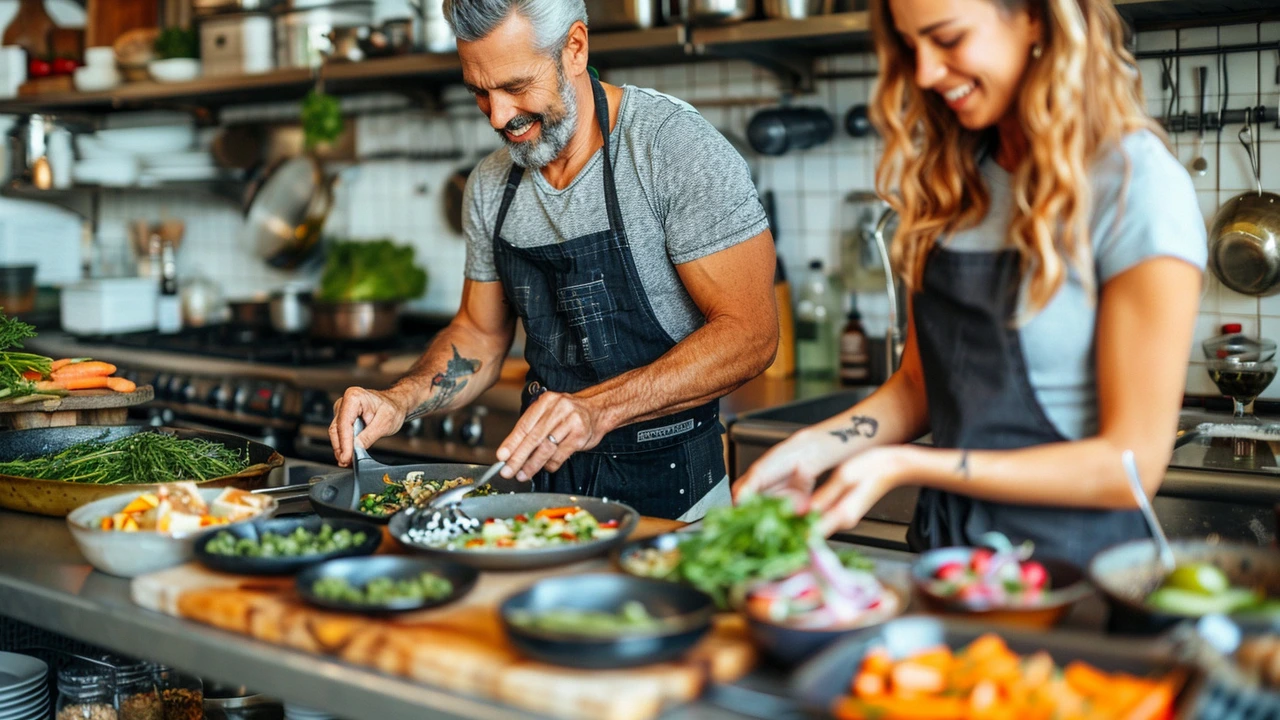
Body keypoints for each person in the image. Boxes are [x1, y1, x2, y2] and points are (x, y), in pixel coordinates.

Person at [733, 0, 1206, 565]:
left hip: (1078, 575)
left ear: (1034, 17)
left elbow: (1130, 468)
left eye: (949, 39)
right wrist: (810, 449)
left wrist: (905, 464)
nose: (927, 72)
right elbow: (918, 388)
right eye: (912, 48)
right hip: (950, 562)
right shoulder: (950, 181)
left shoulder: (1135, 185)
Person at [328, 0, 778, 521]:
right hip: (541, 504)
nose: (498, 115)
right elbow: (479, 333)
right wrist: (401, 399)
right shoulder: (491, 185)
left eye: (516, 86)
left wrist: (595, 409)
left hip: (676, 501)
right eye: (479, 92)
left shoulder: (671, 148)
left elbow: (751, 335)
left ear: (575, 48)